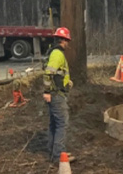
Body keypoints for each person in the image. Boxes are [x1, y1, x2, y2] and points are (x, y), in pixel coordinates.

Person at [43, 26, 74, 163]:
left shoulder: (54, 52)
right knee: (62, 123)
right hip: (56, 94)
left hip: (55, 92)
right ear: (63, 40)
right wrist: (47, 91)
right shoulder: (57, 54)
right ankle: (58, 155)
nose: (67, 44)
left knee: (54, 123)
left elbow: (58, 73)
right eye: (67, 40)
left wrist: (67, 81)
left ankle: (53, 150)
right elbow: (49, 73)